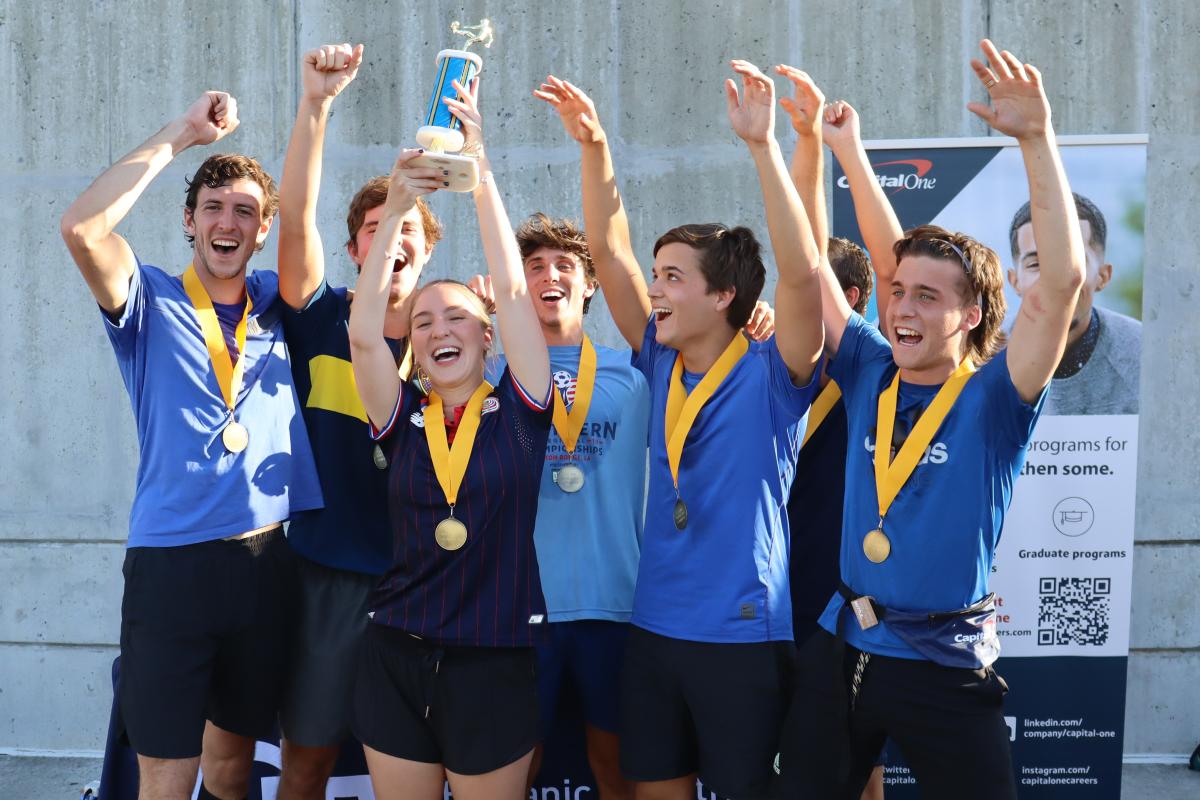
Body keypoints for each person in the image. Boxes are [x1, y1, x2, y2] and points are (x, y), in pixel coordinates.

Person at [774, 40, 1087, 799]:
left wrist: (1036, 141)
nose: (902, 306)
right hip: (844, 647)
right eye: (898, 294)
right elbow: (824, 263)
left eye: (927, 297)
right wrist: (830, 148)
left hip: (943, 664)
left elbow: (1062, 283)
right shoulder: (870, 368)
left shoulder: (995, 397)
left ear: (973, 314)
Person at [535, 61, 823, 800]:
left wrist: (768, 148)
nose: (654, 288)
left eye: (673, 277)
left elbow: (800, 278)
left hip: (740, 639)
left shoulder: (775, 370)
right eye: (656, 274)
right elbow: (608, 250)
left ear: (725, 294)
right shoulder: (658, 361)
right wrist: (594, 145)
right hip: (653, 630)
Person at [59, 94, 323, 799]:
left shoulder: (278, 301)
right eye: (212, 206)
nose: (226, 222)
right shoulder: (146, 298)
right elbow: (83, 228)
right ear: (189, 220)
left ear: (262, 231)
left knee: (233, 770)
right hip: (171, 566)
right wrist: (182, 134)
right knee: (168, 775)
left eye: (243, 211)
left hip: (266, 562)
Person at [469, 215, 773, 799]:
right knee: (514, 771)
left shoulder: (638, 372)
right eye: (533, 267)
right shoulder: (491, 375)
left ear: (589, 286)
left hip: (615, 606)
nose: (548, 276)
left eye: (565, 266)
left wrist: (757, 318)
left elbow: (711, 351)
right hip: (518, 608)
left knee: (617, 771)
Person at [347, 78, 553, 800]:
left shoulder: (525, 407)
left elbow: (516, 286)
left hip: (493, 662)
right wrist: (398, 208)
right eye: (426, 321)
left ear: (488, 334)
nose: (438, 329)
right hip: (394, 654)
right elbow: (364, 334)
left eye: (457, 318)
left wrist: (481, 174)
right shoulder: (401, 416)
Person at [271, 43, 445, 799]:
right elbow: (295, 215)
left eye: (408, 226)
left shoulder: (457, 337)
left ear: (430, 249)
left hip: (425, 582)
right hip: (326, 579)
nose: (395, 235)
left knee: (414, 772)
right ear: (353, 249)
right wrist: (316, 105)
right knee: (306, 761)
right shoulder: (321, 317)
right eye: (378, 225)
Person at [1008, 192, 1141, 415]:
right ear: (1015, 281)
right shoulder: (981, 357)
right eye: (1035, 264)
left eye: (1072, 262)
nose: (1055, 281)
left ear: (1103, 275)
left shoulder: (1146, 358)